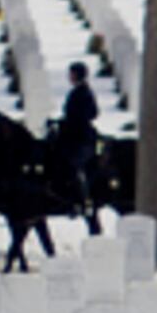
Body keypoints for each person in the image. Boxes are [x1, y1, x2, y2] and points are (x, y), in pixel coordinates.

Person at [54, 59, 102, 210]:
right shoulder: (76, 92)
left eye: (72, 74)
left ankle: (83, 198)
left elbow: (90, 114)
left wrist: (68, 123)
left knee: (75, 165)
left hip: (82, 139)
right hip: (72, 136)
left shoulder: (84, 93)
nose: (70, 77)